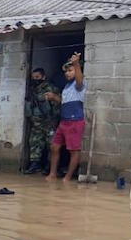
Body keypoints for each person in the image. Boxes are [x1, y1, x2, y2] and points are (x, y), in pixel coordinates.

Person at [45, 53, 85, 183]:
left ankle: (68, 177)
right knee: (54, 147)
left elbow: (79, 80)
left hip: (75, 121)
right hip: (64, 121)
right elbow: (63, 101)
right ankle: (53, 174)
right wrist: (54, 97)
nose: (67, 73)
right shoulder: (67, 87)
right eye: (66, 71)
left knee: (74, 150)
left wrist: (76, 64)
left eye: (70, 70)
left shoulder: (79, 84)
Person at [24, 67, 61, 174]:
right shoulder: (32, 89)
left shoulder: (51, 88)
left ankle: (50, 166)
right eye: (33, 77)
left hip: (49, 121)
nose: (35, 79)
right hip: (36, 123)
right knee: (35, 142)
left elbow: (58, 104)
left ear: (43, 77)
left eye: (37, 77)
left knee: (51, 144)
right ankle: (35, 164)